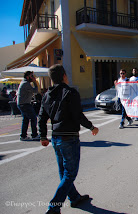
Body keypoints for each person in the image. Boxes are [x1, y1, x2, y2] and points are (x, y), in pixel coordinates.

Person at [38, 64, 99, 214]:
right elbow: (78, 115)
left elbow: (41, 117)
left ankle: (74, 197)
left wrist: (43, 136)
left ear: (52, 79)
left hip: (56, 139)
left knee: (63, 172)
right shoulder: (70, 93)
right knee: (70, 173)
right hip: (69, 138)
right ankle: (54, 206)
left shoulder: (46, 95)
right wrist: (92, 127)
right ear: (64, 76)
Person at [17, 71, 40, 141]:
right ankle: (34, 135)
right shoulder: (26, 84)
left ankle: (23, 136)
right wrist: (35, 82)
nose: (33, 77)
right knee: (33, 118)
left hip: (22, 104)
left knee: (26, 120)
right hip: (25, 104)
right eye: (32, 76)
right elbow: (35, 91)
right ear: (27, 77)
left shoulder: (24, 83)